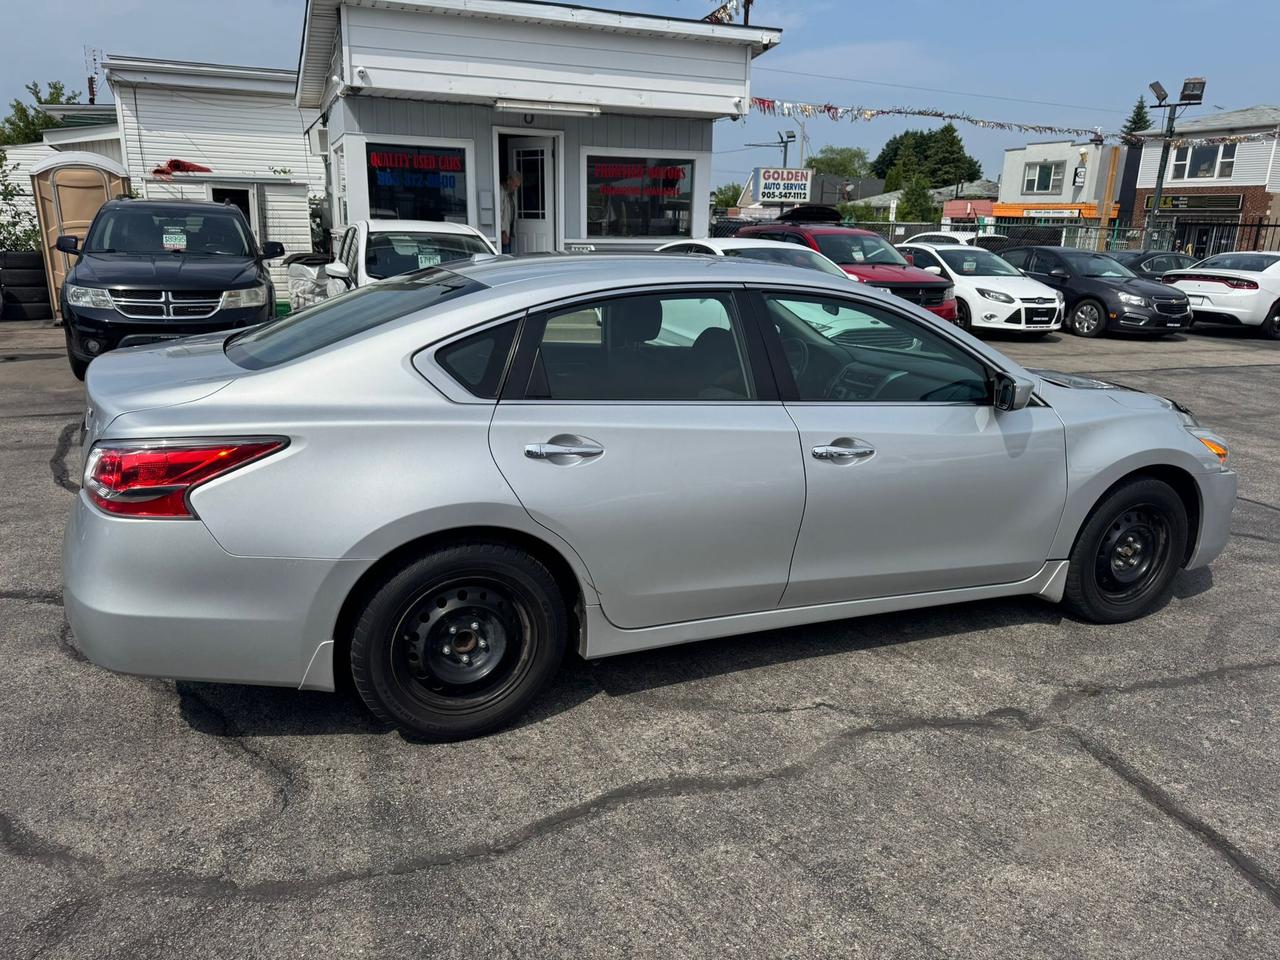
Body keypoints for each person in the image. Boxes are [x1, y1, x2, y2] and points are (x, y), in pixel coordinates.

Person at [500, 172, 522, 254]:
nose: (516, 188)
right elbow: (499, 214)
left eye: (517, 186)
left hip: (509, 233)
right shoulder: (501, 192)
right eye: (515, 185)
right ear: (509, 181)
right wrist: (502, 232)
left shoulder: (511, 195)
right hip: (504, 233)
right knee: (505, 257)